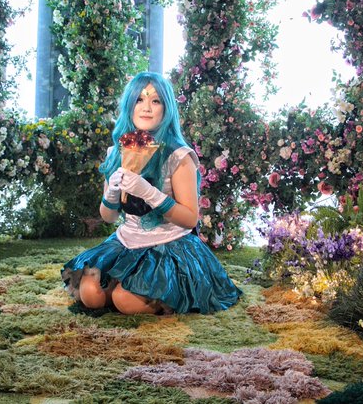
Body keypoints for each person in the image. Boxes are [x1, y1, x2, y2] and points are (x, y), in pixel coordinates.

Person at [61, 72, 242, 315]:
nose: (146, 108)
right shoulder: (117, 151)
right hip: (126, 241)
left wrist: (150, 193)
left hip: (168, 245)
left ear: (166, 109)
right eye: (139, 99)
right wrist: (112, 193)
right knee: (91, 295)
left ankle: (145, 293)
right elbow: (108, 217)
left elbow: (190, 219)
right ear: (129, 104)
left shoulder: (178, 156)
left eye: (155, 101)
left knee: (124, 300)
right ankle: (122, 288)